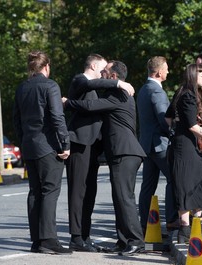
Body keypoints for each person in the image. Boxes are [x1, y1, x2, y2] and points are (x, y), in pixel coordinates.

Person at [64, 60, 146, 256]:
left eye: (106, 72)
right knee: (119, 198)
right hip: (120, 153)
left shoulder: (118, 94)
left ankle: (136, 241)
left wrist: (68, 103)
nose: (102, 74)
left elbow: (90, 105)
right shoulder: (115, 92)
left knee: (124, 198)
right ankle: (123, 240)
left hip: (125, 152)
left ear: (114, 77)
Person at [13, 51, 72, 255]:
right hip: (47, 147)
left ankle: (37, 240)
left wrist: (23, 142)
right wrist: (65, 143)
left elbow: (17, 120)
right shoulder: (51, 86)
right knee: (49, 191)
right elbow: (57, 117)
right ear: (46, 67)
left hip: (29, 146)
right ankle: (49, 239)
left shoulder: (22, 88)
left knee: (35, 192)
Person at [166, 63, 202, 243]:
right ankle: (186, 228)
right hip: (185, 146)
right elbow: (192, 125)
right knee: (188, 184)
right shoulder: (188, 95)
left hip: (184, 144)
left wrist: (177, 129)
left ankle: (195, 224)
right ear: (194, 75)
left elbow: (168, 117)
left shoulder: (182, 92)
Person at [137, 56, 178, 234]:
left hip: (147, 145)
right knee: (173, 179)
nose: (168, 71)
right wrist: (175, 132)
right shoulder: (157, 92)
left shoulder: (143, 89)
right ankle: (172, 220)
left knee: (148, 185)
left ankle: (145, 225)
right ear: (159, 72)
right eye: (166, 69)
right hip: (159, 145)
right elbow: (164, 119)